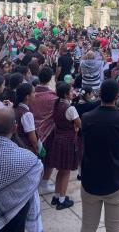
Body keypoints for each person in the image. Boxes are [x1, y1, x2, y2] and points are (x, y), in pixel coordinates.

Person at [80, 79, 119, 232]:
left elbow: (85, 141)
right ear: (117, 96)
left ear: (99, 94)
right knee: (114, 228)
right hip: (115, 179)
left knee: (88, 227)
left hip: (90, 179)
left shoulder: (87, 118)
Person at [46, 82, 80, 210]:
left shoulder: (56, 104)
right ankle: (62, 200)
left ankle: (56, 196)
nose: (73, 93)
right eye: (70, 91)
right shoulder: (70, 108)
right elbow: (79, 123)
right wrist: (76, 128)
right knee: (66, 172)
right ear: (66, 94)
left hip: (58, 139)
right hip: (68, 141)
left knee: (60, 171)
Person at [30, 66, 58, 194]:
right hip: (48, 132)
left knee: (34, 158)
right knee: (49, 158)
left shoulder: (31, 93)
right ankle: (44, 183)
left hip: (31, 131)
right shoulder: (53, 97)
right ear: (50, 78)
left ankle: (34, 182)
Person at [14, 83, 38, 154]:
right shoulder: (27, 114)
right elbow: (32, 138)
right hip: (26, 147)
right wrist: (37, 150)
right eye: (33, 92)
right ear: (27, 96)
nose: (35, 94)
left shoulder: (15, 108)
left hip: (17, 145)